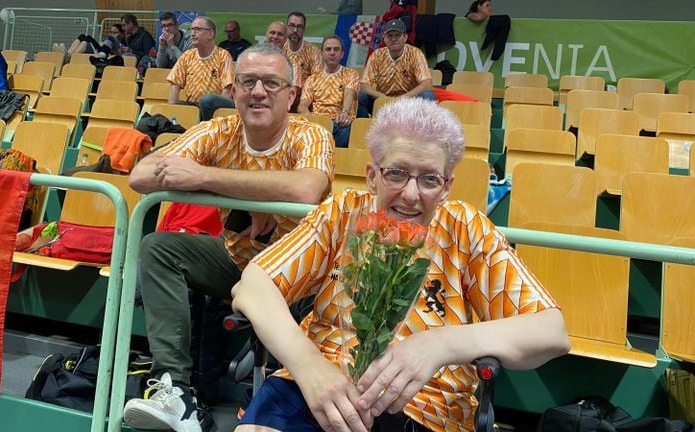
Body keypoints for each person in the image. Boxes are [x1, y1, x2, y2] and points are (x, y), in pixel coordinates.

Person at [231, 97, 571, 432]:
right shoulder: (343, 211)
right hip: (315, 389)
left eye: (429, 179)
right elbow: (254, 285)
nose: (411, 194)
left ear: (447, 187)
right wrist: (309, 366)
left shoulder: (467, 229)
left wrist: (441, 344)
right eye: (397, 174)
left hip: (425, 408)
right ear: (372, 176)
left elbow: (550, 331)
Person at [122, 43, 335, 432]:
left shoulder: (311, 136)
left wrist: (206, 179)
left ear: (291, 95)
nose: (258, 92)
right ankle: (176, 390)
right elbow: (141, 175)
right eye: (248, 81)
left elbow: (305, 188)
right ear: (233, 89)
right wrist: (256, 195)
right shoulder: (215, 131)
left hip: (306, 278)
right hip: (239, 263)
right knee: (159, 248)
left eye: (271, 82)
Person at [357, 19, 435, 118]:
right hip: (383, 100)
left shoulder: (415, 53)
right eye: (390, 36)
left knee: (428, 95)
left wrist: (401, 98)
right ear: (384, 38)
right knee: (361, 96)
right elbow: (364, 85)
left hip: (409, 100)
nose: (393, 39)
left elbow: (427, 84)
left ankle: (426, 131)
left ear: (405, 37)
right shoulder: (377, 55)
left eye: (397, 35)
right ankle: (363, 128)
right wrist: (384, 98)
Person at [166, 16, 234, 122]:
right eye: (191, 29)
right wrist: (171, 113)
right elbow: (175, 86)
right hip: (192, 106)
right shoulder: (187, 56)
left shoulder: (223, 56)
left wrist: (220, 117)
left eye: (197, 29)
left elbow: (227, 91)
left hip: (214, 109)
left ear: (210, 34)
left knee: (207, 100)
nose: (192, 33)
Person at [298, 36, 358, 148]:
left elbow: (349, 94)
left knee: (344, 126)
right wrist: (312, 121)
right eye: (328, 49)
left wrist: (344, 112)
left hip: (339, 121)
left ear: (342, 54)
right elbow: (302, 105)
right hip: (318, 121)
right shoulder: (312, 78)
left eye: (336, 49)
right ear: (322, 53)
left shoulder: (351, 74)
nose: (332, 53)